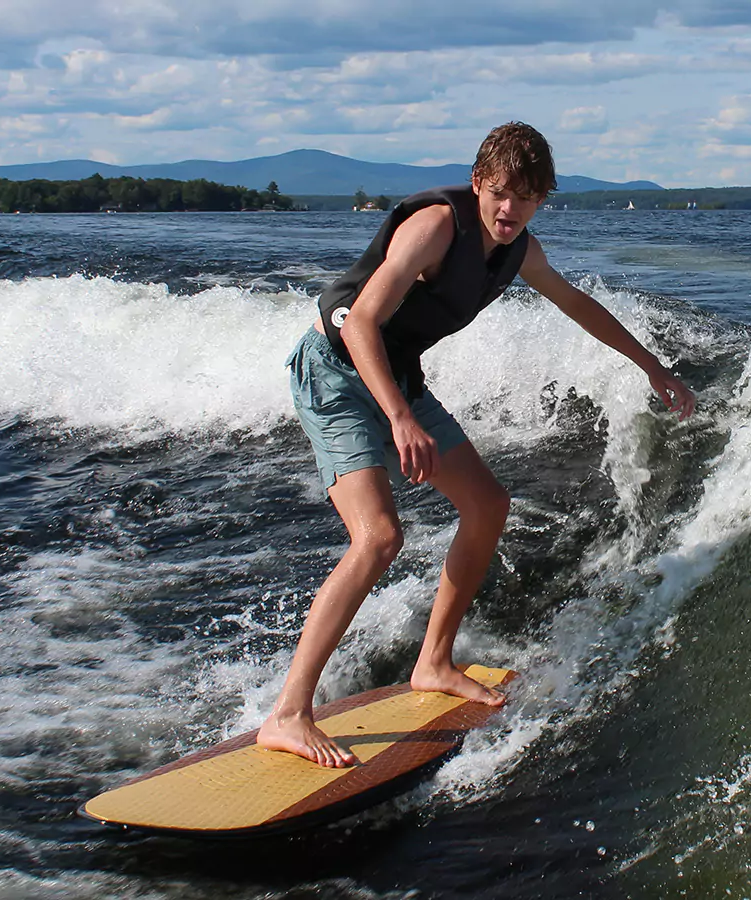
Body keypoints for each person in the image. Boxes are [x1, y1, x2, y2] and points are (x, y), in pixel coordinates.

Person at [258, 122, 696, 767]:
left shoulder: (521, 250)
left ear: (542, 198)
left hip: (398, 376)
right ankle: (289, 713)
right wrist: (399, 417)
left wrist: (652, 367)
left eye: (526, 197)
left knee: (488, 505)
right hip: (337, 370)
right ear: (477, 184)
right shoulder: (434, 227)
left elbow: (577, 304)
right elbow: (360, 324)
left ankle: (433, 662)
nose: (509, 209)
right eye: (499, 193)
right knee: (378, 538)